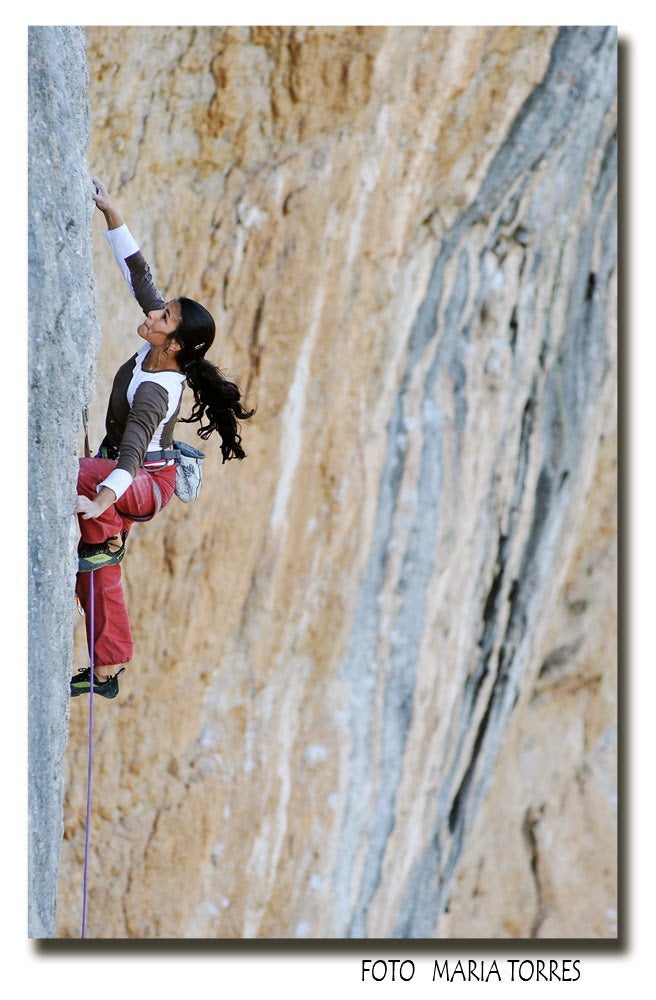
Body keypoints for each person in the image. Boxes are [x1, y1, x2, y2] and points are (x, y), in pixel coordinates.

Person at [70, 176, 254, 699]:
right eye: (161, 310)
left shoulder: (157, 388)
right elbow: (139, 277)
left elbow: (131, 455)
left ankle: (103, 533)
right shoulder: (161, 346)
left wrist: (99, 497)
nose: (152, 315)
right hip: (131, 472)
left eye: (163, 317)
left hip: (142, 482)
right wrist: (113, 213)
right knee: (97, 559)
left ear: (173, 344)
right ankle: (108, 665)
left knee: (76, 481)